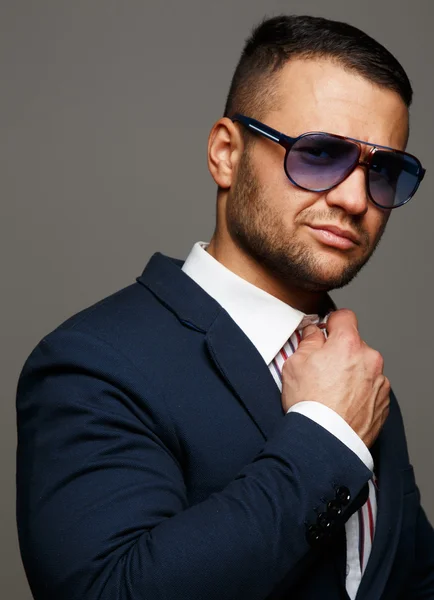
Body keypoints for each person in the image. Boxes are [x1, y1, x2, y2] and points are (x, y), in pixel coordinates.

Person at [16, 14, 434, 600]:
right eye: (318, 154)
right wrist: (327, 435)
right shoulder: (90, 364)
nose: (354, 198)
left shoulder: (356, 373)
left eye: (384, 170)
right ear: (225, 154)